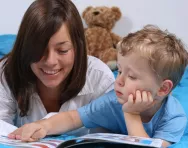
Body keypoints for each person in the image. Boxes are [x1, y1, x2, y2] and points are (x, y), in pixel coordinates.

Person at [9, 25, 188, 147]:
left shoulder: (173, 117)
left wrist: (131, 114)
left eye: (132, 76)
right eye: (119, 69)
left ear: (163, 89)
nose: (119, 79)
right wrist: (44, 126)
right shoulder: (111, 101)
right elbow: (73, 118)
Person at [0, 0, 115, 127]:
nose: (50, 61)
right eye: (39, 50)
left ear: (78, 47)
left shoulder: (100, 77)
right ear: (25, 47)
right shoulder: (6, 72)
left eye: (62, 51)